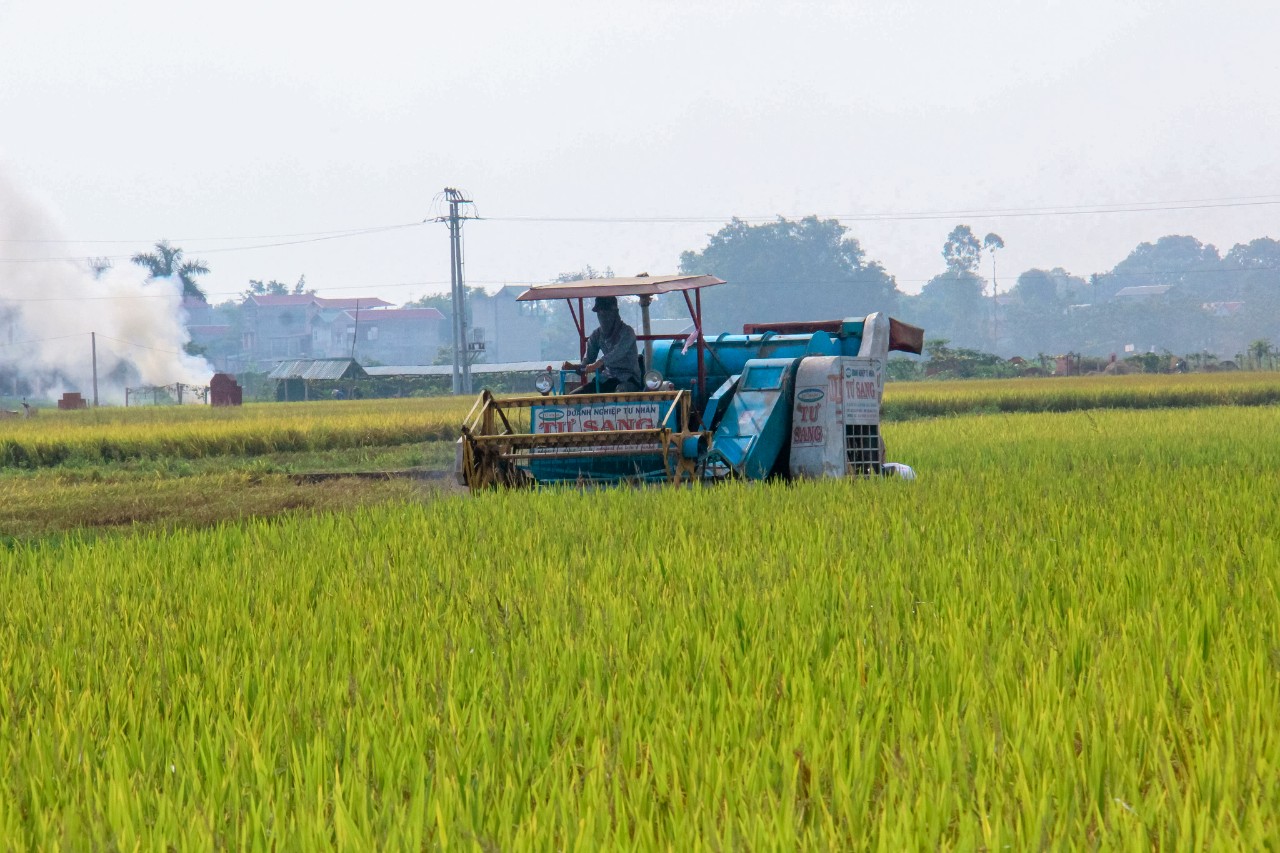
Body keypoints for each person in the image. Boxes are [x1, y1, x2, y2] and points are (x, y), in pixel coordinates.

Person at [571, 295, 642, 393]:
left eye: (605, 312)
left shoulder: (627, 332)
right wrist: (576, 367)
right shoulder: (597, 335)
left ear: (615, 313)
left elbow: (618, 352)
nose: (602, 316)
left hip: (628, 379)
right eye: (599, 313)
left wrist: (599, 363)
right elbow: (588, 360)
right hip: (606, 378)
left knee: (619, 394)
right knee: (575, 396)